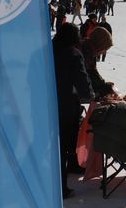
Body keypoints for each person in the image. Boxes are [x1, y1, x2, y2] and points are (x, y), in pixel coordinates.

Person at [52, 23, 94, 199]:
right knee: (62, 146)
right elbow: (82, 82)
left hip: (42, 105)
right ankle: (61, 188)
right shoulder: (73, 54)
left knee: (50, 146)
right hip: (65, 107)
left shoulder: (46, 51)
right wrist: (90, 95)